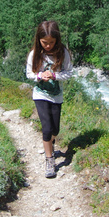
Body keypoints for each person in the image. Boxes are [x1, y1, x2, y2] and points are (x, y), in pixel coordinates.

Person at [25, 21, 73, 179]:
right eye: (44, 42)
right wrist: (40, 76)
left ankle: (50, 145)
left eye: (51, 42)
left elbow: (68, 73)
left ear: (57, 40)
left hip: (56, 96)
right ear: (38, 39)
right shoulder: (34, 54)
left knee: (55, 130)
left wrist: (54, 75)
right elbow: (29, 74)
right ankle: (50, 160)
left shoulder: (63, 53)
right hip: (40, 94)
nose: (48, 46)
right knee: (46, 129)